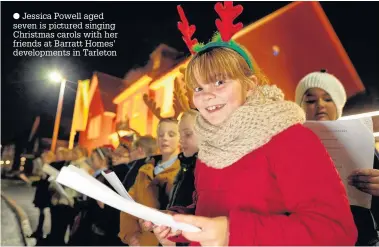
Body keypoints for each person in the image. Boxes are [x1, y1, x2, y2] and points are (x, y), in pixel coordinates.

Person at [155, 3, 357, 246]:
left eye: (219, 82)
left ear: (249, 86)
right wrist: (178, 220)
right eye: (199, 87)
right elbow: (212, 210)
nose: (207, 95)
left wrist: (231, 233)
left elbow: (335, 231)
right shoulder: (210, 143)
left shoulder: (289, 138)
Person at [295, 69, 379, 246]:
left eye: (328, 98)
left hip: (361, 240)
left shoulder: (364, 144)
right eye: (310, 100)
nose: (320, 105)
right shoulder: (284, 147)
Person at [119, 118, 181, 246]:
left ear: (181, 138)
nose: (165, 138)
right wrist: (130, 235)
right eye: (161, 134)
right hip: (142, 241)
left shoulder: (184, 171)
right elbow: (129, 202)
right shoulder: (145, 168)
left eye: (171, 134)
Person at [142, 109, 200, 246]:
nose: (181, 140)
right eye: (180, 134)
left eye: (188, 134)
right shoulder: (186, 166)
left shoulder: (198, 169)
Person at [29, 150, 55, 240]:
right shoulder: (44, 165)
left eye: (44, 157)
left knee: (44, 212)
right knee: (41, 212)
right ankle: (39, 230)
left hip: (46, 192)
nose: (43, 158)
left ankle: (41, 231)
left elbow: (47, 180)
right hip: (41, 191)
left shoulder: (50, 166)